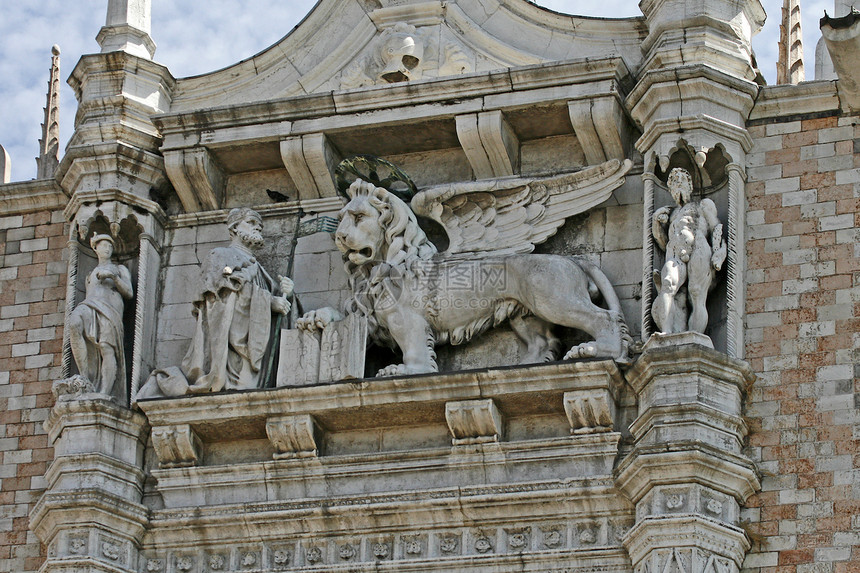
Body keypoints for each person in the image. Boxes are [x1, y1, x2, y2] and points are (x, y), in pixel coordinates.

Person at [138, 208, 293, 398]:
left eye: (259, 225)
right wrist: (269, 302)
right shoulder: (219, 256)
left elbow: (275, 306)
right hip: (229, 353)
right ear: (234, 227)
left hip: (255, 349)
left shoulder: (259, 269)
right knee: (241, 391)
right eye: (252, 222)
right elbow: (220, 298)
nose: (258, 228)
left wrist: (287, 292)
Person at [651, 168, 726, 334]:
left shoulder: (702, 205)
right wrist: (657, 224)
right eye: (674, 182)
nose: (679, 184)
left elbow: (716, 227)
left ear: (690, 186)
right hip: (675, 252)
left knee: (697, 293)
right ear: (670, 189)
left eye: (682, 180)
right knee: (668, 284)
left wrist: (720, 252)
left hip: (698, 249)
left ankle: (695, 337)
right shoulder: (670, 214)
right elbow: (663, 243)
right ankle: (667, 331)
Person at [69, 234, 133, 399]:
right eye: (103, 246)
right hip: (90, 306)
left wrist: (113, 277)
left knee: (106, 348)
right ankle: (84, 376)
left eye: (110, 246)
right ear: (95, 248)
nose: (107, 249)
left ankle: (105, 391)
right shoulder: (89, 274)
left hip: (110, 312)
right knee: (74, 323)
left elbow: (129, 293)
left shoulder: (119, 269)